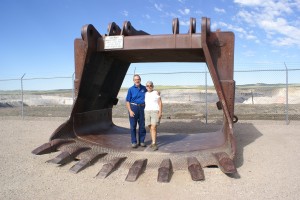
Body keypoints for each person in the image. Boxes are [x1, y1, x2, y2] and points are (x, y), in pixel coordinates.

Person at [126, 74, 147, 148]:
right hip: (133, 108)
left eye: (138, 79)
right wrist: (130, 111)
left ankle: (141, 141)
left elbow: (150, 94)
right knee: (133, 126)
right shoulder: (130, 89)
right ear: (133, 81)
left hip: (142, 108)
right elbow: (127, 101)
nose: (137, 81)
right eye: (135, 79)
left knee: (142, 126)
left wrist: (157, 93)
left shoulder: (144, 88)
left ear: (140, 80)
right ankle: (134, 142)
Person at [144, 81, 162, 151]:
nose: (149, 87)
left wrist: (160, 112)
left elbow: (160, 103)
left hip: (155, 111)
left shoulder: (156, 93)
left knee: (154, 127)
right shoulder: (145, 93)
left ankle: (154, 143)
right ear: (146, 87)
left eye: (150, 85)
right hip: (147, 111)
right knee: (150, 127)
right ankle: (152, 142)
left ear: (153, 86)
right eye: (147, 86)